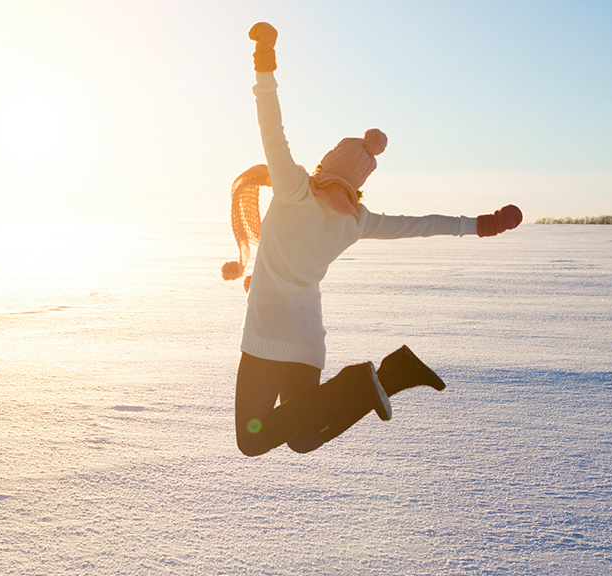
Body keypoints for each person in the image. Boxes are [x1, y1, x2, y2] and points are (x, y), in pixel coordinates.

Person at [224, 22, 522, 457]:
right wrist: (482, 224)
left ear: (326, 164)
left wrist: (264, 59)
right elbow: (421, 223)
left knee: (252, 441)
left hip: (268, 334)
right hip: (308, 339)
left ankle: (357, 382)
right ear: (359, 183)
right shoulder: (357, 220)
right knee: (303, 434)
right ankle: (389, 376)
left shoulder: (294, 189)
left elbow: (271, 124)